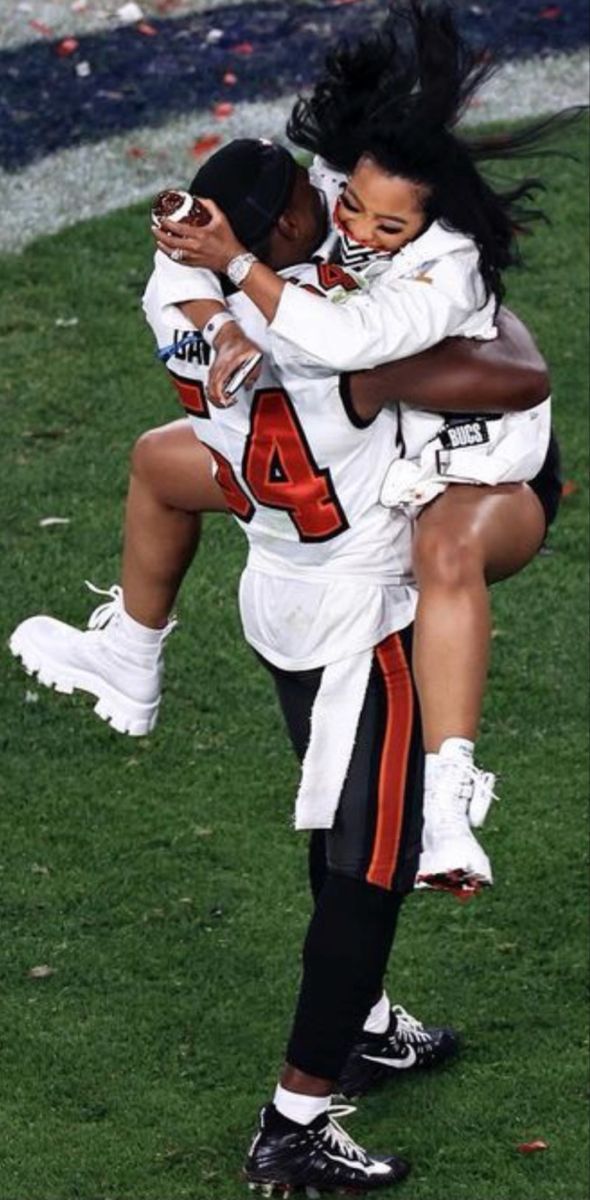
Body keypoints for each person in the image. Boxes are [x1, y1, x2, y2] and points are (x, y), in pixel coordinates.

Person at [9, 135, 556, 1193]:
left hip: (275, 578)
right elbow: (512, 373)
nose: (328, 218)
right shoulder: (338, 342)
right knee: (370, 869)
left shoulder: (193, 320)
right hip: (362, 617)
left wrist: (228, 287)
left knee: (337, 823)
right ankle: (296, 1117)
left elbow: (203, 368)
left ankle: (365, 1022)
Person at [148, 0, 565, 891]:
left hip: (485, 460)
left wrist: (237, 277)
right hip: (388, 449)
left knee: (441, 547)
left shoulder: (443, 264)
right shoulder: (351, 191)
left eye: (387, 230)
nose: (359, 235)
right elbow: (234, 250)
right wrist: (226, 313)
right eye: (352, 209)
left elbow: (348, 343)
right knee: (164, 458)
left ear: (427, 225)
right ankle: (131, 649)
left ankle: (449, 803)